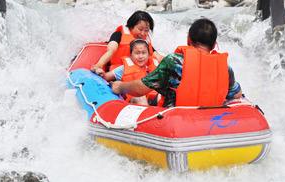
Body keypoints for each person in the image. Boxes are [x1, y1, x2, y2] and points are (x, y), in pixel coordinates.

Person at [111, 18, 243, 109]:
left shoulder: (174, 62)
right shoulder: (225, 68)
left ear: (188, 39)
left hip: (176, 121)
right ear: (214, 44)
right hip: (213, 122)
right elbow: (236, 95)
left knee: (140, 100)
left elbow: (141, 88)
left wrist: (120, 87)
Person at [89, 11, 155, 75]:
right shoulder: (118, 35)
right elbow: (111, 50)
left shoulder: (146, 42)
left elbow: (157, 56)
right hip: (117, 73)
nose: (143, 33)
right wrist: (99, 65)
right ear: (131, 26)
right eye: (140, 29)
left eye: (146, 30)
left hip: (140, 74)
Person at [107, 38, 160, 106]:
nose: (140, 56)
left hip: (153, 99)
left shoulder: (156, 67)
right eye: (137, 53)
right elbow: (105, 77)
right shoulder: (122, 69)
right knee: (139, 97)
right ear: (131, 55)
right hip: (134, 101)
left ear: (148, 54)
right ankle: (147, 114)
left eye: (144, 53)